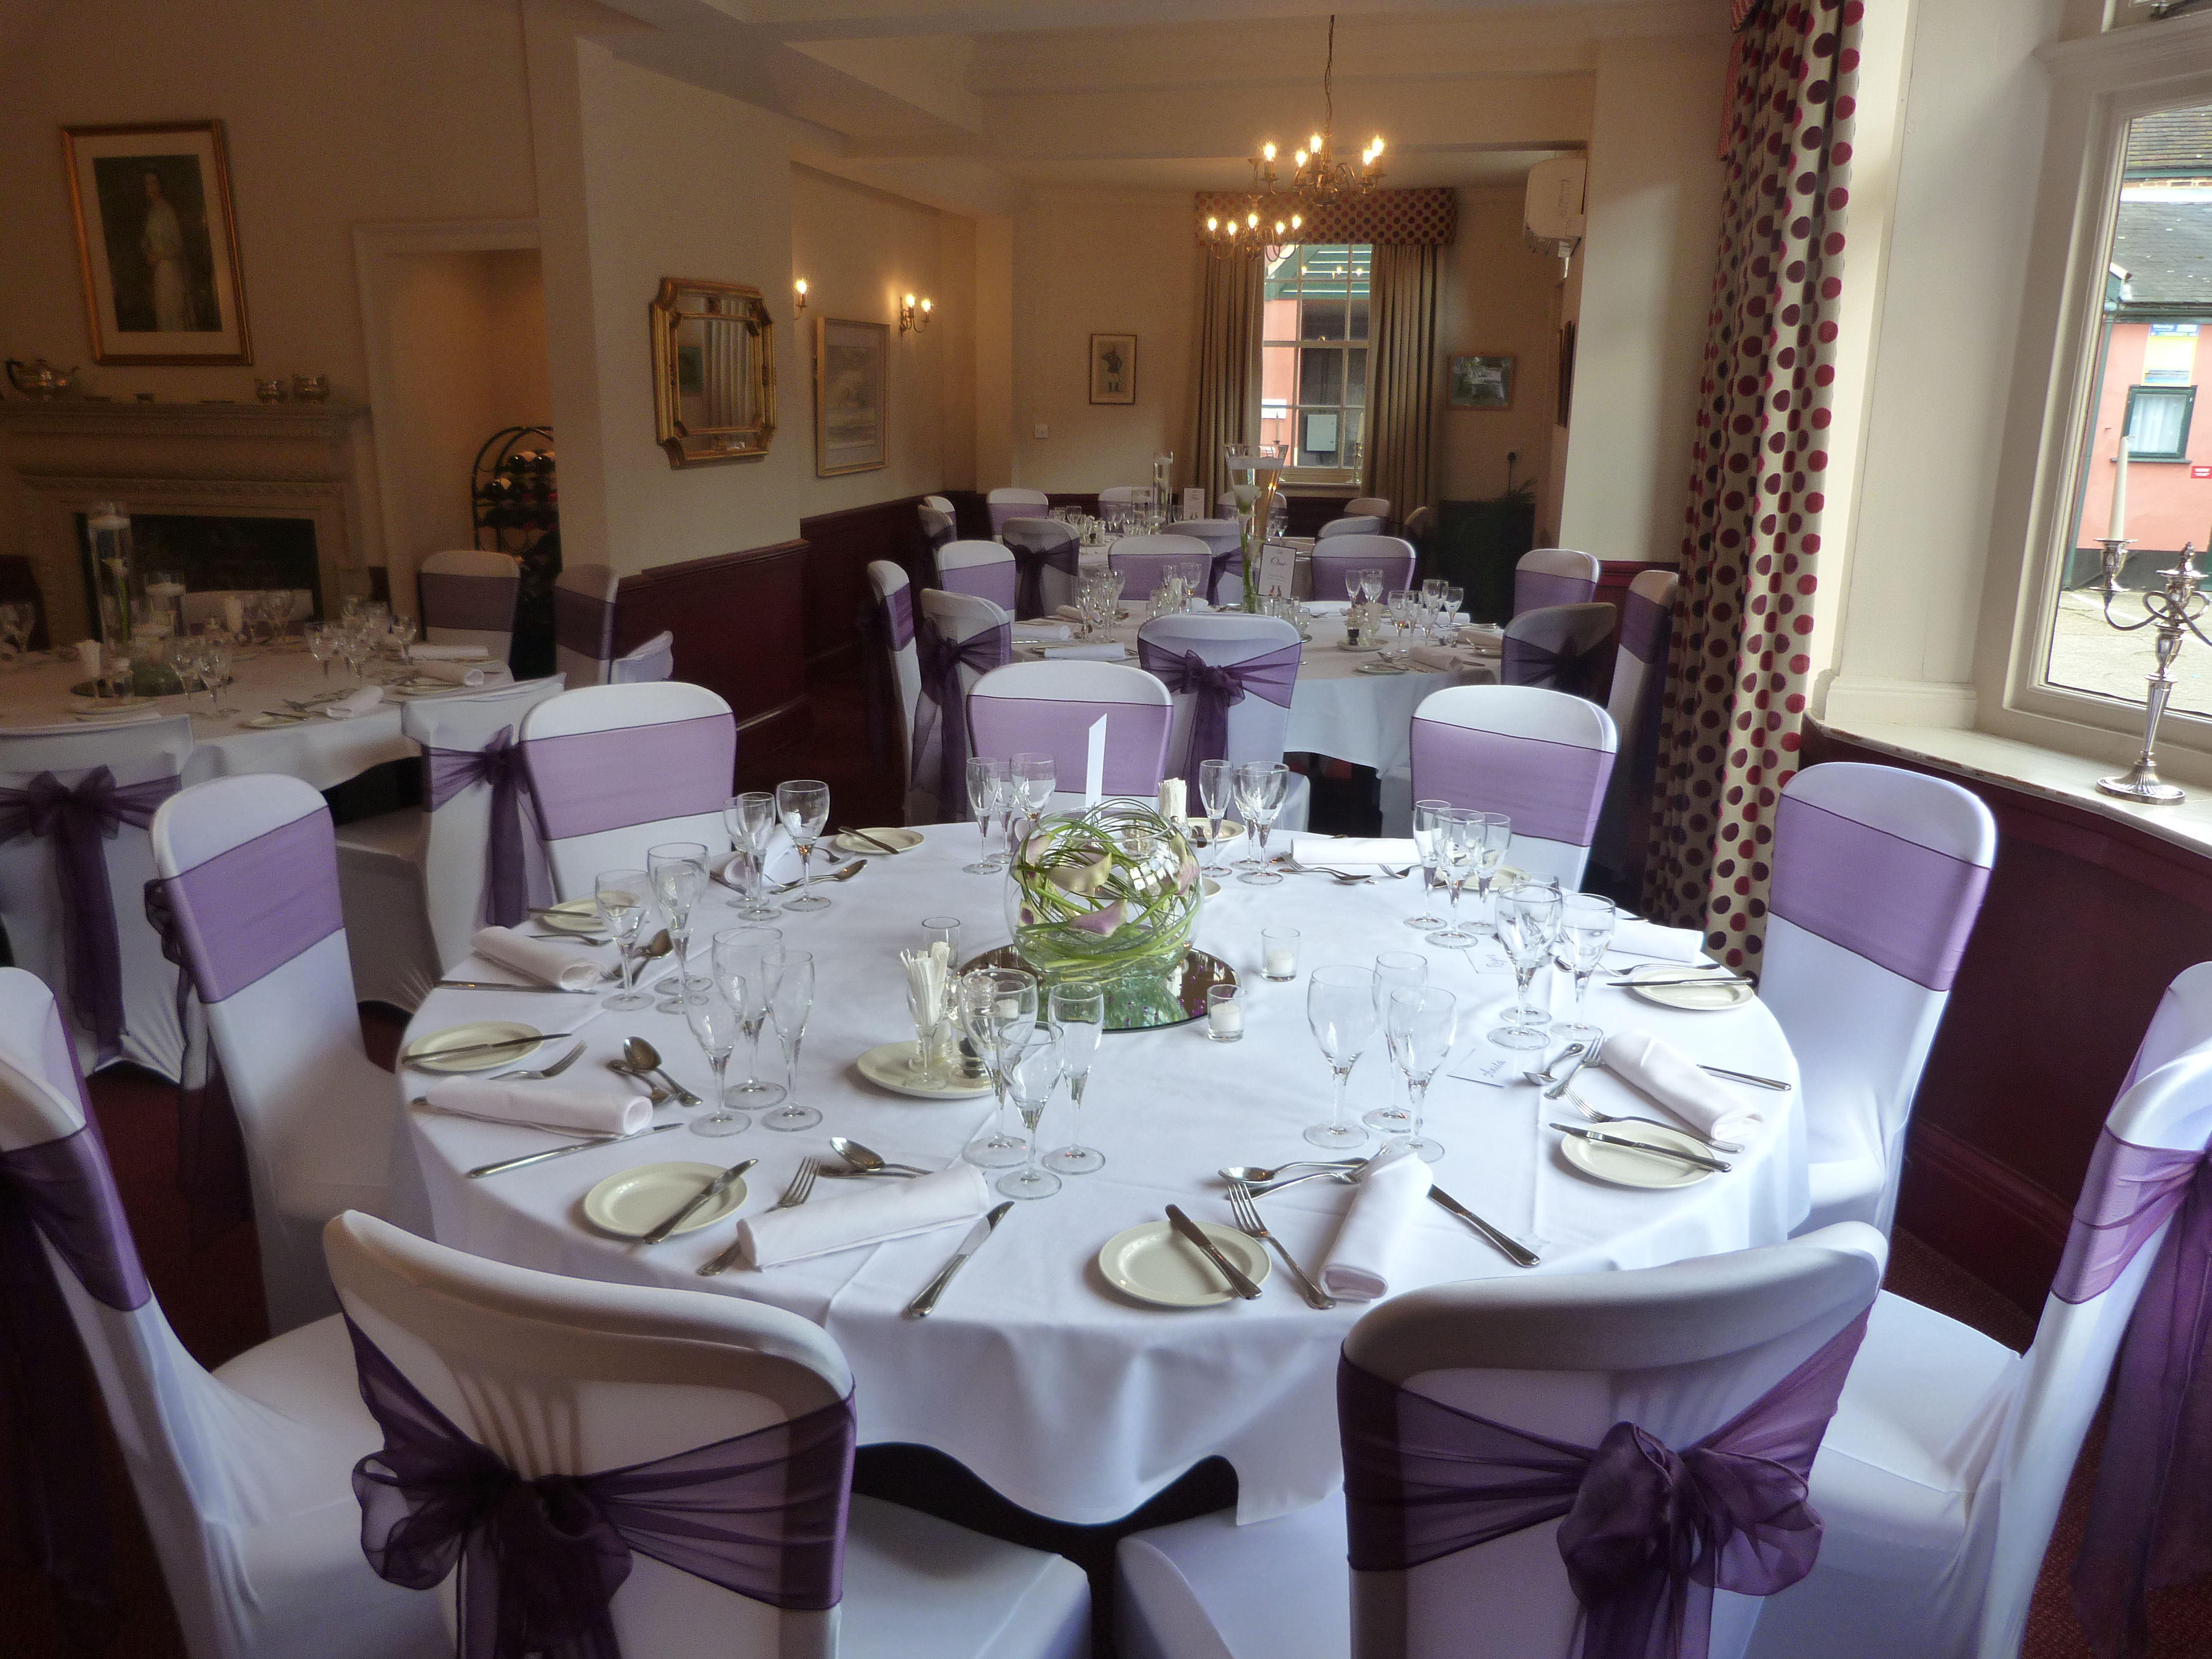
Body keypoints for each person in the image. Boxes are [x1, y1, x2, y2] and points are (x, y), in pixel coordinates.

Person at [141, 171, 194, 332]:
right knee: (164, 316)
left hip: (170, 270)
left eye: (154, 183)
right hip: (159, 274)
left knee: (174, 314)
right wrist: (148, 252)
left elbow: (179, 246)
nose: (152, 188)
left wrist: (159, 256)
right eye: (148, 184)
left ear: (160, 186)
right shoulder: (152, 214)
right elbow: (145, 242)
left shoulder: (168, 211)